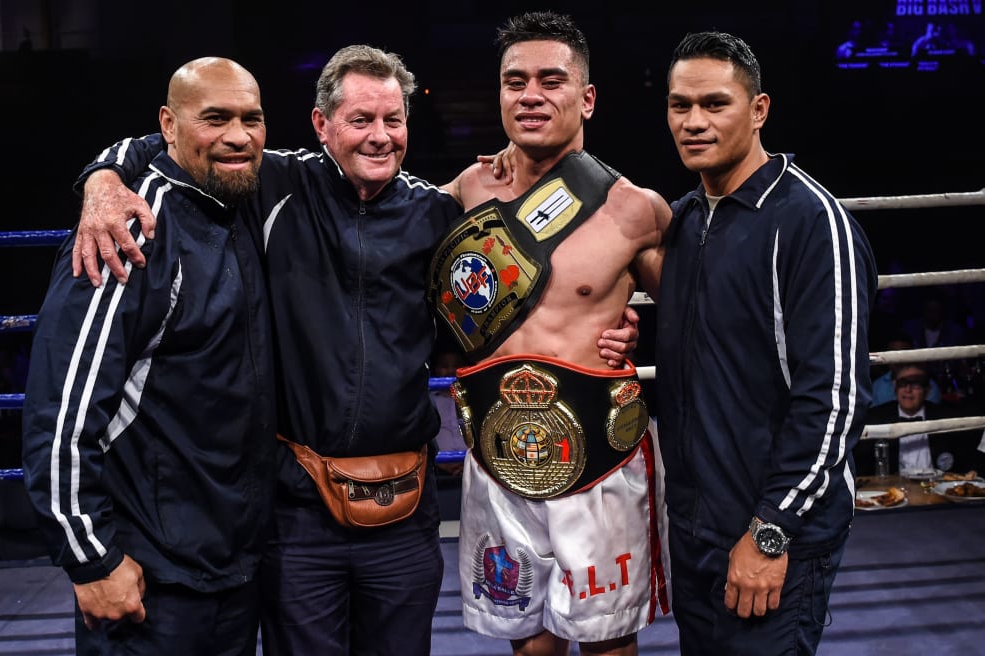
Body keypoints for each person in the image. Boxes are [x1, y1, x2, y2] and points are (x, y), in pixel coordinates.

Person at [69, 45, 641, 655]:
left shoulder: (436, 212)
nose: (380, 137)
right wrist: (102, 181)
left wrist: (614, 323)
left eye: (393, 121)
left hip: (405, 508)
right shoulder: (274, 187)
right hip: (297, 511)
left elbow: (504, 304)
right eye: (360, 120)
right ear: (322, 125)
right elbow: (171, 147)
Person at [21, 57, 277, 655]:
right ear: (168, 124)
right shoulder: (130, 230)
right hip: (149, 580)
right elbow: (62, 410)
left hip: (232, 570)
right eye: (215, 118)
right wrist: (90, 559)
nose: (238, 135)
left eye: (252, 118)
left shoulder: (241, 205)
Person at [437, 12, 671, 656]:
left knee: (605, 647)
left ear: (586, 97)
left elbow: (698, 320)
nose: (531, 95)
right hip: (497, 462)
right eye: (515, 82)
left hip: (599, 462)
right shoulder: (463, 193)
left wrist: (638, 336)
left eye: (551, 80)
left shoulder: (635, 209)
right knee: (530, 647)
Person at [655, 31, 877, 656]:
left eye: (715, 104)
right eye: (680, 105)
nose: (693, 121)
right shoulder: (689, 221)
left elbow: (833, 400)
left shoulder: (812, 222)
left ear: (759, 111)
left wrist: (771, 530)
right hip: (696, 528)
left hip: (774, 534)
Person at [859, 362, 985, 477]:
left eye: (915, 383)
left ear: (927, 390)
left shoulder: (946, 417)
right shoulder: (875, 418)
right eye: (902, 383)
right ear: (895, 387)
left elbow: (968, 460)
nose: (908, 389)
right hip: (892, 490)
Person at [871, 331, 943, 407]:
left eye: (902, 353)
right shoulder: (877, 385)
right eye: (892, 354)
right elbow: (874, 416)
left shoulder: (930, 387)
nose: (897, 359)